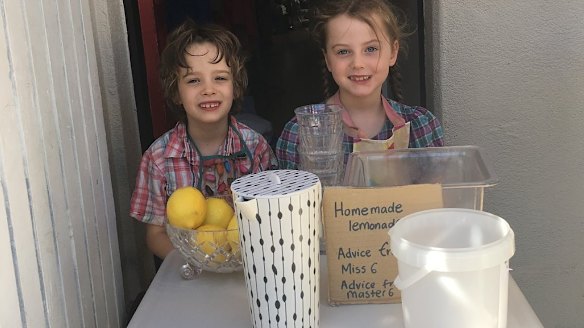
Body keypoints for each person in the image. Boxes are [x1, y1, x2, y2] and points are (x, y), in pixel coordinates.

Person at [130, 20, 278, 260]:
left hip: (247, 267)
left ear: (236, 86)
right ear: (176, 92)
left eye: (220, 78)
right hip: (189, 278)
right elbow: (155, 234)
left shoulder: (255, 147)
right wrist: (195, 264)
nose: (208, 89)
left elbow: (271, 216)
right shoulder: (158, 159)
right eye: (193, 80)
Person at [276, 0, 444, 169]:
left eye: (371, 49)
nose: (357, 63)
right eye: (343, 51)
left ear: (393, 52)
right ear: (328, 59)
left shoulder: (423, 127)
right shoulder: (299, 134)